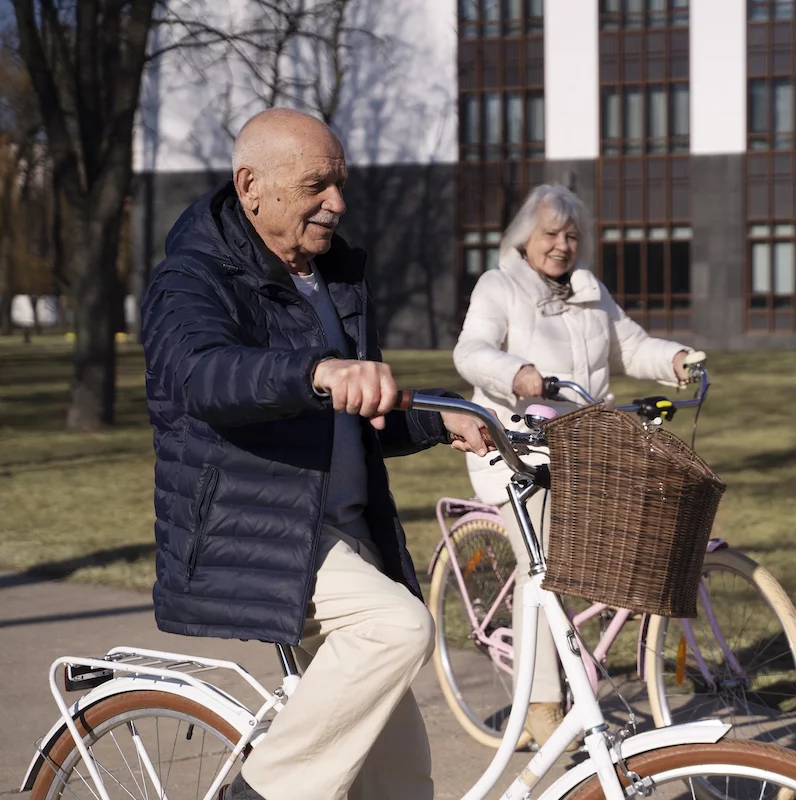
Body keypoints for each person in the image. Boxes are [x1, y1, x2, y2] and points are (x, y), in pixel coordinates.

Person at [140, 107, 491, 800]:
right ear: (251, 186)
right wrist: (314, 372)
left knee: (400, 783)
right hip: (256, 532)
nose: (337, 203)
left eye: (340, 183)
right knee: (397, 630)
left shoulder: (328, 277)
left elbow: (355, 413)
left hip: (342, 538)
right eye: (316, 185)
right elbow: (204, 375)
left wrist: (435, 417)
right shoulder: (192, 277)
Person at [452, 184, 691, 747]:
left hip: (586, 448)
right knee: (544, 569)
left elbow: (629, 348)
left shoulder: (590, 291)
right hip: (517, 450)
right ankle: (540, 702)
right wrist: (517, 374)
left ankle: (596, 654)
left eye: (571, 236)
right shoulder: (499, 285)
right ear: (524, 239)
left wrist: (676, 359)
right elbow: (471, 350)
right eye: (550, 235)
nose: (561, 246)